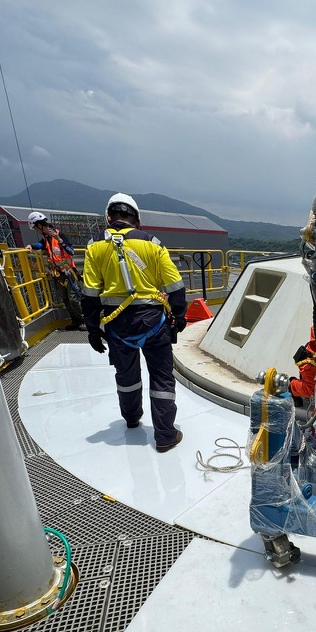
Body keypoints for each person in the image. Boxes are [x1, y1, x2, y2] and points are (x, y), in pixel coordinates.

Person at [81, 193, 188, 453]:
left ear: (108, 217)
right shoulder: (152, 244)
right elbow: (175, 286)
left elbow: (89, 294)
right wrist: (179, 315)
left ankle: (131, 418)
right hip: (153, 322)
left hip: (117, 325)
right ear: (136, 219)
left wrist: (93, 330)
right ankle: (165, 435)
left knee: (126, 376)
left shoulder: (95, 246)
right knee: (162, 378)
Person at [27, 212, 84, 328]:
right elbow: (40, 245)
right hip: (58, 273)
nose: (36, 231)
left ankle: (83, 321)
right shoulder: (46, 239)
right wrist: (31, 246)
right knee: (65, 299)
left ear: (40, 225)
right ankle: (75, 321)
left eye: (35, 228)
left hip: (69, 272)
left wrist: (59, 240)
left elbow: (71, 252)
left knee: (73, 298)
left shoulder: (59, 235)